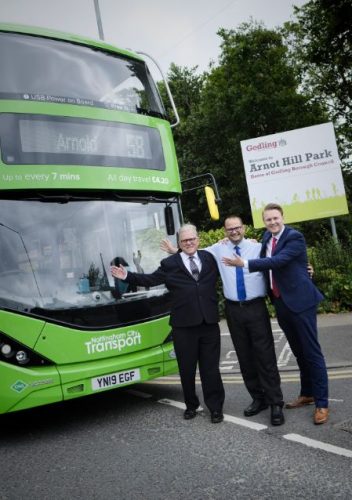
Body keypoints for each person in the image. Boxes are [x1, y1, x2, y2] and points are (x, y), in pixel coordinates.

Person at [162, 216, 285, 426]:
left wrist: (306, 269)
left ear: (243, 228)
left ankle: (275, 403)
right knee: (245, 359)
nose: (234, 231)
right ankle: (258, 399)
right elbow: (191, 255)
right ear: (225, 232)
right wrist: (175, 250)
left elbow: (279, 261)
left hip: (256, 308)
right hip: (233, 310)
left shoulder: (257, 247)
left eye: (237, 227)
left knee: (265, 357)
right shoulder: (218, 250)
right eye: (230, 229)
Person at [222, 203, 329, 425]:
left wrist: (244, 263)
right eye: (268, 219)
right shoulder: (265, 239)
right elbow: (267, 257)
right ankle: (307, 393)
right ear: (264, 222)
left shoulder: (294, 237)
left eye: (275, 218)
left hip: (301, 301)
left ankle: (321, 403)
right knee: (299, 352)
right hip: (281, 302)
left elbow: (278, 261)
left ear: (282, 217)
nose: (272, 222)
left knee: (312, 352)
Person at [111, 224, 225, 424]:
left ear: (198, 240)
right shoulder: (170, 264)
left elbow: (228, 268)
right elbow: (151, 279)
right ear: (179, 243)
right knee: (187, 369)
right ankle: (191, 405)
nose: (189, 243)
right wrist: (127, 276)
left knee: (210, 370)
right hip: (183, 327)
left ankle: (215, 408)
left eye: (192, 239)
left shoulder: (209, 258)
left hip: (209, 324)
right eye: (184, 240)